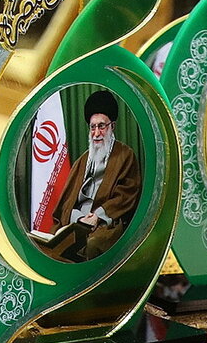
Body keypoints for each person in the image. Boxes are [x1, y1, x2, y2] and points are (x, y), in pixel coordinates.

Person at [48, 90, 141, 261]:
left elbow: (126, 195)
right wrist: (79, 218)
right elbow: (67, 202)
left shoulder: (125, 155)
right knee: (52, 244)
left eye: (102, 126)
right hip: (78, 222)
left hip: (105, 223)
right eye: (93, 127)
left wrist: (97, 216)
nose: (96, 133)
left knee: (94, 243)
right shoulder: (83, 160)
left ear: (112, 126)